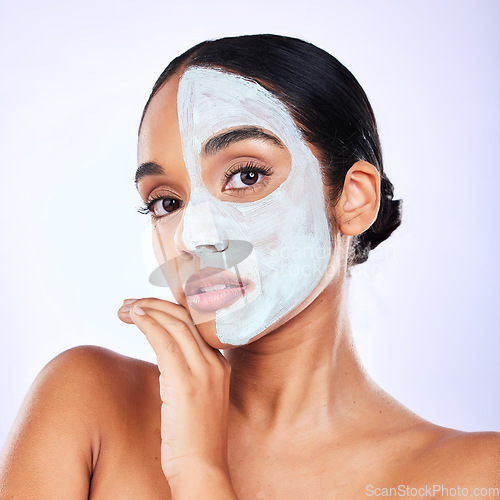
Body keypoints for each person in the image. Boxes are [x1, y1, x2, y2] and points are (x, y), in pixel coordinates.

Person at [0, 34, 498, 499]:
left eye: (246, 175)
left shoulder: (473, 477)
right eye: (166, 202)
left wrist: (197, 470)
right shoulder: (90, 404)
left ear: (353, 198)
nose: (192, 238)